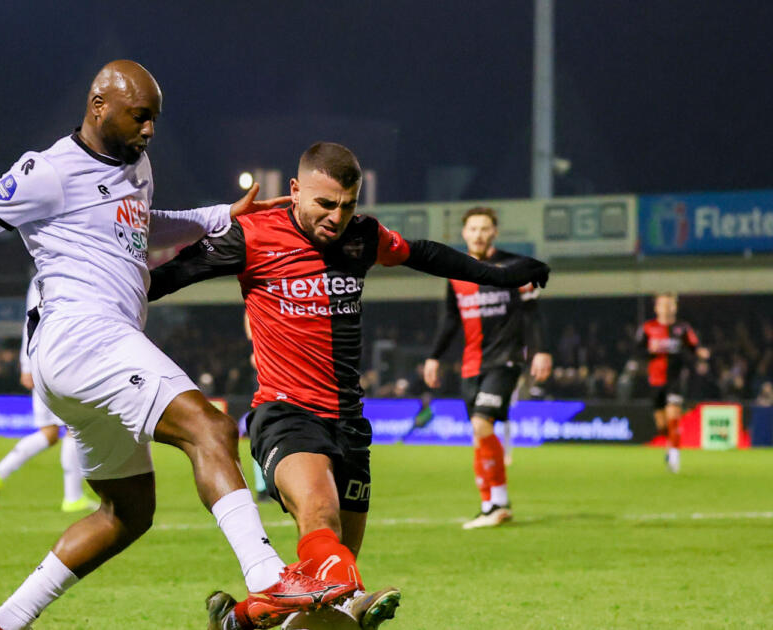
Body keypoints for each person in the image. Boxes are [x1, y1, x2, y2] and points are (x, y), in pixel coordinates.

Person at [0, 61, 354, 630]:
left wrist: (217, 216)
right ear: (98, 106)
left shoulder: (136, 165)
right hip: (83, 335)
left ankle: (4, 621)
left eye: (154, 118)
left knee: (127, 511)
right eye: (139, 116)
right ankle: (269, 578)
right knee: (210, 428)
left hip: (85, 357)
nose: (150, 129)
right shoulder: (48, 171)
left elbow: (139, 228)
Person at [148, 142, 550, 629]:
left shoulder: (363, 236)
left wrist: (499, 276)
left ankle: (243, 618)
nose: (337, 217)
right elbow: (166, 277)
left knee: (326, 599)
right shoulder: (252, 235)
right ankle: (353, 598)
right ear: (295, 190)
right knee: (321, 518)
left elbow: (423, 253)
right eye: (325, 203)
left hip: (350, 424)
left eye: (348, 205)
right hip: (286, 413)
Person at [421, 206, 552, 529]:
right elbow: (450, 319)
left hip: (505, 359)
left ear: (495, 232)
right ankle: (489, 504)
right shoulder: (456, 272)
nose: (478, 234)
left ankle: (498, 504)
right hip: (471, 364)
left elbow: (533, 313)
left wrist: (540, 351)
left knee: (482, 425)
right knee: (479, 435)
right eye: (473, 229)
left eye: (484, 229)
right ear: (464, 233)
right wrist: (434, 356)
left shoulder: (515, 267)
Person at [0, 276, 98, 513]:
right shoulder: (53, 276)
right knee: (76, 427)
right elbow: (33, 319)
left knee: (50, 433)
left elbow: (31, 319)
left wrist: (28, 365)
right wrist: (26, 365)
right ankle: (73, 497)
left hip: (43, 361)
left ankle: (0, 471)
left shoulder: (44, 275)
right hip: (59, 361)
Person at [627, 293, 709, 473]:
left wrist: (700, 354)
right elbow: (637, 351)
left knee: (673, 416)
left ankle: (674, 456)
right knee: (662, 425)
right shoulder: (648, 328)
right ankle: (670, 446)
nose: (667, 308)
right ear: (656, 308)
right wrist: (650, 351)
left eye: (670, 304)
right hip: (655, 381)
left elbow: (694, 346)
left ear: (675, 307)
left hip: (675, 379)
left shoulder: (682, 328)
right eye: (663, 304)